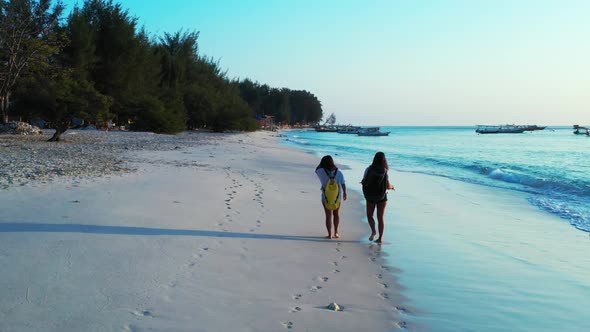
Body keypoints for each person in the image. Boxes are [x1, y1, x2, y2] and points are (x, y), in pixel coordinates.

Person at [361, 152, 395, 243]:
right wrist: (392, 187)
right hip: (382, 197)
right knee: (380, 218)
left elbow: (364, 180)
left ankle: (373, 231)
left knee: (369, 215)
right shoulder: (385, 171)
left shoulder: (368, 169)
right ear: (384, 160)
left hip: (370, 196)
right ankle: (380, 238)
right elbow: (388, 186)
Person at [315, 155, 347, 239]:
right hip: (337, 196)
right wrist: (345, 193)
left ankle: (329, 234)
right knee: (336, 214)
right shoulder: (339, 172)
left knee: (328, 215)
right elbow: (343, 183)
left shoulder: (320, 171)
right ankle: (336, 232)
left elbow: (316, 169)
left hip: (325, 196)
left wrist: (321, 164)